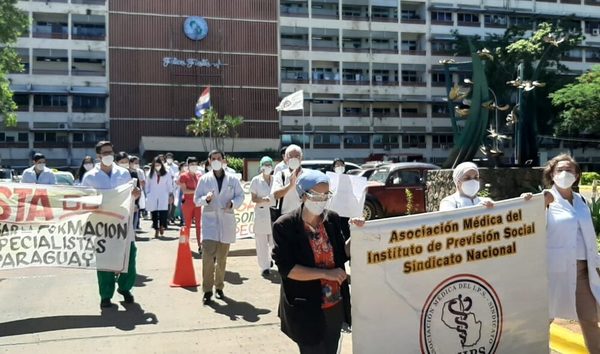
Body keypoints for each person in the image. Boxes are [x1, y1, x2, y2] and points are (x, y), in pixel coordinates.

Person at [272, 169, 362, 353]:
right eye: (316, 195)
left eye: (326, 195)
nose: (321, 200)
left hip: (334, 305)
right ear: (303, 195)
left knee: (331, 349)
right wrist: (326, 274)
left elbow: (342, 254)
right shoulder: (285, 226)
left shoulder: (333, 219)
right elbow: (288, 269)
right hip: (306, 307)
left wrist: (358, 234)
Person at [544, 154, 600, 353]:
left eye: (570, 170)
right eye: (560, 170)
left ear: (577, 175)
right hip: (554, 270)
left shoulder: (581, 200)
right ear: (552, 174)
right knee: (545, 319)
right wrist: (535, 204)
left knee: (590, 318)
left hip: (584, 271)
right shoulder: (545, 200)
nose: (565, 173)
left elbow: (587, 235)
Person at [81, 141, 140, 308]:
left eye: (110, 152)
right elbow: (85, 200)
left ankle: (125, 288)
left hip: (123, 222)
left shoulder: (124, 173)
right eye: (105, 153)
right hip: (102, 224)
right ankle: (106, 295)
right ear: (98, 155)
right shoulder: (90, 177)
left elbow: (131, 196)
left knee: (129, 256)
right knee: (104, 260)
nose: (109, 155)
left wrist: (136, 194)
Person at [194, 150, 244, 305]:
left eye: (219, 158)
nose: (216, 161)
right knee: (208, 259)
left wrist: (233, 203)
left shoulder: (233, 179)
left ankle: (219, 287)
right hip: (209, 224)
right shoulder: (204, 179)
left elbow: (240, 196)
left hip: (226, 221)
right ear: (209, 161)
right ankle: (207, 290)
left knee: (222, 260)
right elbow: (196, 200)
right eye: (213, 158)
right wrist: (206, 199)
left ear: (223, 160)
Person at [249, 156, 276, 276]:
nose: (267, 167)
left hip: (274, 213)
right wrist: (262, 199)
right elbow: (253, 198)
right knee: (261, 243)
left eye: (269, 165)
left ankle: (270, 259)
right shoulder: (256, 180)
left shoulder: (276, 179)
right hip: (261, 213)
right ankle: (264, 267)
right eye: (265, 165)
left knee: (273, 241)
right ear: (261, 167)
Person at [178, 156, 203, 252]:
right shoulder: (184, 176)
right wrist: (197, 191)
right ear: (188, 165)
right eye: (191, 164)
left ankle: (200, 245)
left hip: (198, 202)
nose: (193, 166)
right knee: (187, 224)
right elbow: (184, 190)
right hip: (188, 202)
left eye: (195, 164)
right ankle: (185, 244)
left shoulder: (199, 176)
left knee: (199, 225)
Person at [272, 144, 304, 216]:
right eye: (291, 156)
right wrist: (290, 185)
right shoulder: (280, 175)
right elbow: (276, 195)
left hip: (303, 216)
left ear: (302, 158)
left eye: (297, 156)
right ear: (286, 159)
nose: (294, 159)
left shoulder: (307, 175)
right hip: (285, 215)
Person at [146, 156, 173, 238]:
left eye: (158, 164)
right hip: (153, 194)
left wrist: (170, 194)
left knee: (163, 212)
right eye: (155, 164)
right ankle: (156, 228)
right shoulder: (149, 173)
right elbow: (147, 185)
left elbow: (169, 184)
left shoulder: (167, 173)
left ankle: (162, 226)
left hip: (163, 194)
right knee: (153, 212)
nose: (157, 166)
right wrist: (148, 194)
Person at [116, 152, 141, 236]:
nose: (124, 164)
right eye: (122, 162)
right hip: (116, 206)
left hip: (130, 205)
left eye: (126, 162)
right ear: (117, 162)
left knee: (129, 230)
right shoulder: (113, 174)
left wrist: (136, 203)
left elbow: (137, 189)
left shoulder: (133, 174)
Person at [129, 156, 146, 230]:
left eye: (138, 163)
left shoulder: (140, 171)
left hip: (138, 192)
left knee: (136, 208)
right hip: (128, 193)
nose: (137, 164)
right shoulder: (126, 171)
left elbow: (143, 182)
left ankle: (136, 225)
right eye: (135, 163)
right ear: (130, 163)